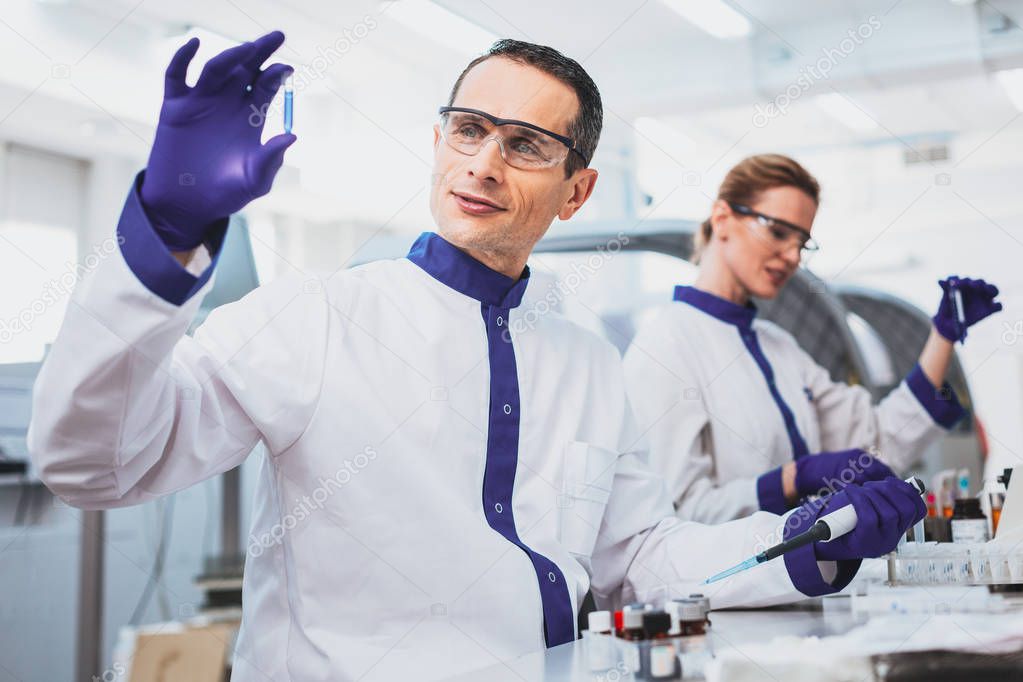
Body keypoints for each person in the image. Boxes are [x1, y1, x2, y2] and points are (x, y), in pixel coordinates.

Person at [29, 36, 925, 681]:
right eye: (468, 129)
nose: (486, 163)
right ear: (437, 143)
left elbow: (638, 554)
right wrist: (166, 234)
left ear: (575, 191)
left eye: (527, 145)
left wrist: (803, 542)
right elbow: (94, 464)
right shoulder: (315, 317)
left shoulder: (583, 362)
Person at [624, 154, 1002, 525]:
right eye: (778, 232)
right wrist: (791, 480)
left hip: (807, 581)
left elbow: (877, 441)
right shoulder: (665, 345)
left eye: (802, 243)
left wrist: (942, 336)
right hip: (728, 586)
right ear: (723, 218)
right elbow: (675, 516)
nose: (792, 256)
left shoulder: (779, 346)